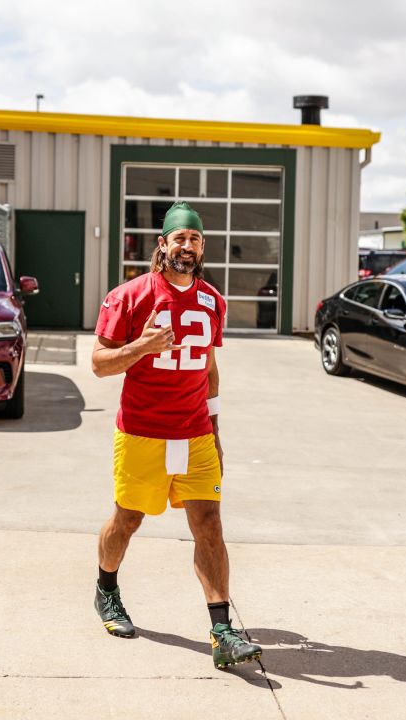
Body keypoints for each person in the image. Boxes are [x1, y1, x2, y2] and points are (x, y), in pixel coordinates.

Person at [90, 201, 262, 670]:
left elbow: (209, 366)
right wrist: (141, 346)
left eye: (196, 238)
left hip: (195, 434)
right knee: (127, 521)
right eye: (179, 238)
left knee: (209, 524)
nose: (188, 245)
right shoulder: (128, 296)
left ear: (203, 248)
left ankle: (222, 631)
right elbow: (99, 364)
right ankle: (106, 590)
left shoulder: (213, 300)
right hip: (143, 432)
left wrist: (216, 426)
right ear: (162, 245)